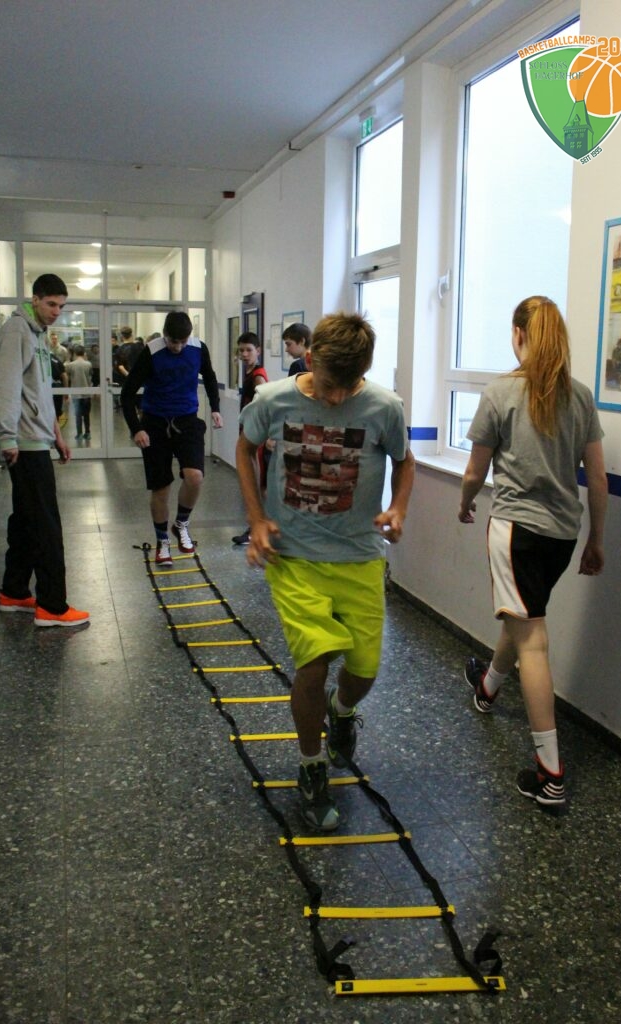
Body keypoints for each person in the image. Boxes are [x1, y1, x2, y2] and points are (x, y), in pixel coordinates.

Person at [236, 312, 415, 831]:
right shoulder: (273, 400)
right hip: (294, 558)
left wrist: (398, 508)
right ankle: (312, 766)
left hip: (359, 557)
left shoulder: (384, 406)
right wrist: (256, 519)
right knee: (313, 663)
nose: (337, 399)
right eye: (330, 385)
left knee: (364, 671)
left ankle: (342, 710)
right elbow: (245, 449)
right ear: (311, 359)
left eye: (349, 386)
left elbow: (405, 461)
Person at [458, 296, 608, 810]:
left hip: (516, 530)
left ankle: (550, 775)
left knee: (532, 640)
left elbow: (475, 471)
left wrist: (464, 503)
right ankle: (488, 687)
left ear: (519, 333)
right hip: (562, 535)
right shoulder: (580, 396)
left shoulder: (501, 391)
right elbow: (598, 479)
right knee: (524, 615)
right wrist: (596, 539)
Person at [0, 274, 89, 627]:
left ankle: (14, 591)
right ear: (34, 299)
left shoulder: (37, 334)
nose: (56, 312)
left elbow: (40, 392)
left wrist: (57, 435)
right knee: (46, 523)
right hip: (24, 442)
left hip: (38, 437)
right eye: (51, 304)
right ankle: (52, 606)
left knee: (25, 518)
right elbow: (5, 386)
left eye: (61, 306)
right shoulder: (16, 330)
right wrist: (6, 437)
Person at [121, 311, 222, 566]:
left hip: (187, 420)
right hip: (154, 423)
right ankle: (163, 540)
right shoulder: (151, 352)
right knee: (161, 487)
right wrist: (136, 429)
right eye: (173, 342)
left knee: (194, 476)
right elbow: (127, 393)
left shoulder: (198, 348)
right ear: (165, 335)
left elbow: (210, 377)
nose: (177, 347)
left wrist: (216, 408)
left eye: (182, 342)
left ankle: (181, 523)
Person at [232, 332, 268, 546]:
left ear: (258, 351)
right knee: (254, 483)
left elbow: (264, 404)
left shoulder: (258, 376)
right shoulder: (248, 372)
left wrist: (267, 433)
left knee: (257, 484)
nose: (244, 354)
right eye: (241, 350)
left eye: (249, 350)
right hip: (248, 431)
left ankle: (258, 527)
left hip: (256, 435)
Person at [65, 345, 93, 440]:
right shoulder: (88, 364)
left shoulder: (71, 365)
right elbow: (91, 376)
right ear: (84, 353)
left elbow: (66, 373)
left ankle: (79, 434)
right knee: (86, 414)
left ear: (74, 353)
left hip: (76, 394)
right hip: (87, 393)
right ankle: (88, 433)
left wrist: (68, 359)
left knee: (78, 415)